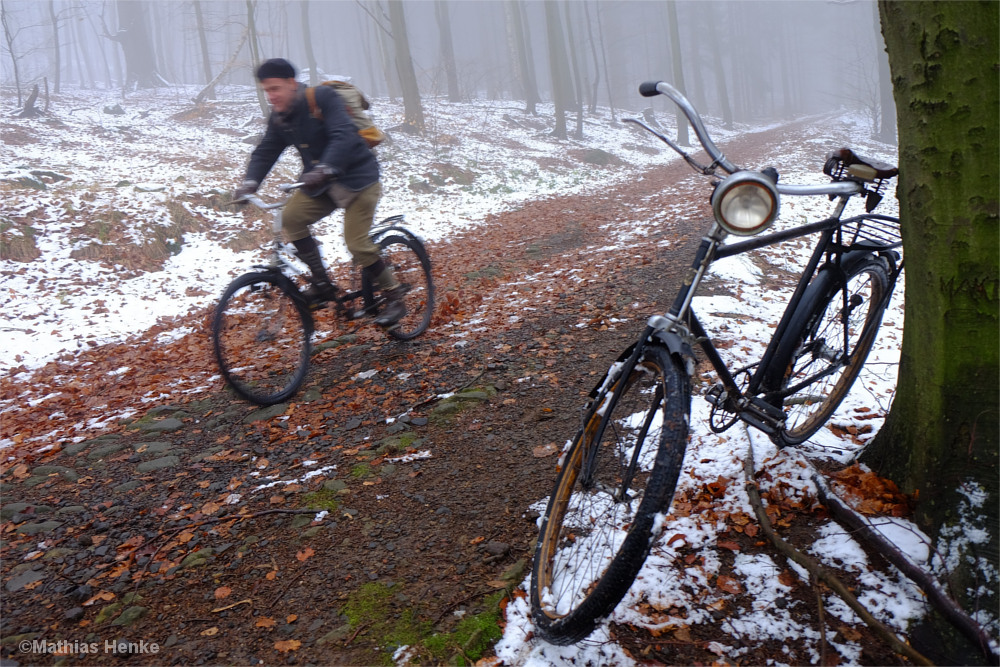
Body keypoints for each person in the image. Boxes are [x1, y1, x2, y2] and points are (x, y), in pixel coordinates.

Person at [233, 58, 405, 326]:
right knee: (291, 217)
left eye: (275, 88)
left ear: (292, 83)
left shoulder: (322, 97)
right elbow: (266, 150)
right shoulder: (280, 118)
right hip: (320, 183)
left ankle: (394, 296)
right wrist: (250, 182)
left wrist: (326, 167)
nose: (271, 96)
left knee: (357, 244)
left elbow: (343, 135)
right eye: (266, 90)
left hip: (359, 179)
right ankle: (322, 283)